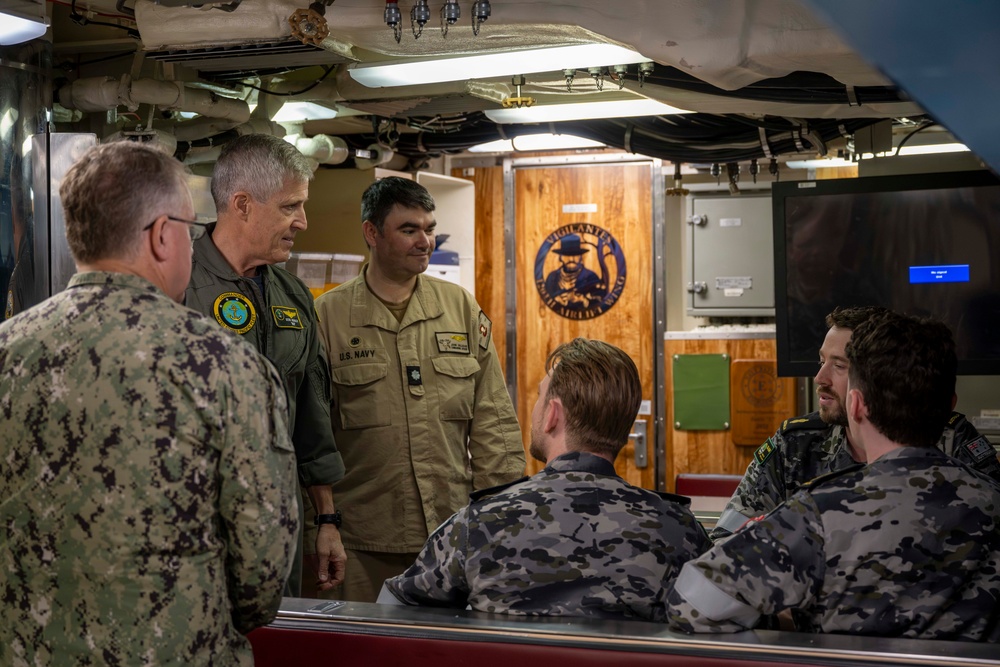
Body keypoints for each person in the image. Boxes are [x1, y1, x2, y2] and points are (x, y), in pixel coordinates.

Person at [0, 141, 298, 664]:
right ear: (163, 235)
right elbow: (262, 576)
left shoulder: (7, 351)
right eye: (190, 226)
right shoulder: (227, 367)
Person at [667, 312, 1000, 640]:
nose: (820, 377)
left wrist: (795, 617)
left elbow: (692, 602)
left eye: (839, 365)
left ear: (856, 404)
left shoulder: (817, 513)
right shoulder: (992, 499)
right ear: (949, 404)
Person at [379, 338, 710, 618]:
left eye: (539, 396)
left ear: (552, 414)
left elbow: (393, 613)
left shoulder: (480, 524)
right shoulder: (678, 530)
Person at [314, 176, 525, 603]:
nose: (424, 241)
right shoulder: (328, 317)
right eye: (409, 229)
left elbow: (494, 423)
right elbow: (312, 436)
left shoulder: (460, 308)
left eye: (429, 228)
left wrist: (500, 519)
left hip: (452, 535)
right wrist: (324, 523)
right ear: (371, 233)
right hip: (361, 541)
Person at [185, 134, 346, 596]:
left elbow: (312, 415)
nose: (303, 222)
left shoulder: (292, 294)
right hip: (201, 526)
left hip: (280, 522)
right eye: (290, 207)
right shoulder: (179, 282)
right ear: (242, 204)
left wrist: (327, 518)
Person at [711, 305, 1000, 540]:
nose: (820, 379)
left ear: (879, 374)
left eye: (839, 366)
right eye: (821, 361)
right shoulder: (796, 443)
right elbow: (727, 538)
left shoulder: (948, 436)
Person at [542, 233, 607, 310]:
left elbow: (601, 301)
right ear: (560, 257)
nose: (571, 259)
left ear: (580, 257)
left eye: (575, 255)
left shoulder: (591, 277)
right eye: (567, 255)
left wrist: (583, 300)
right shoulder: (552, 278)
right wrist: (556, 301)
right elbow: (544, 300)